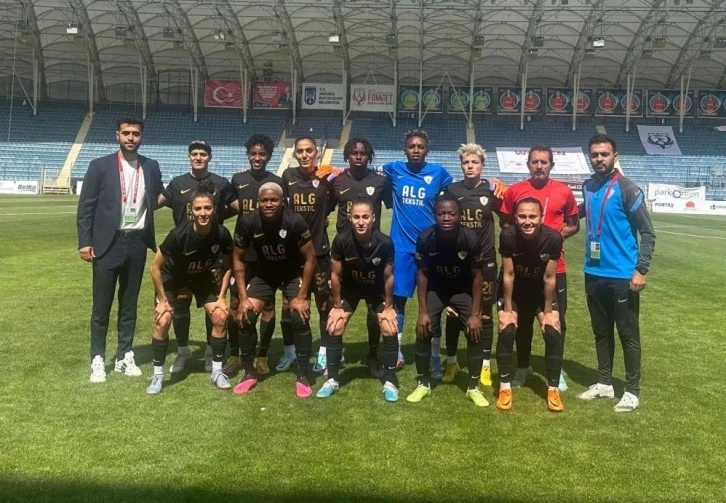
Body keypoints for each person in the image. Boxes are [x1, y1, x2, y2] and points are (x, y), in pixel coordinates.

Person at [77, 117, 164, 383]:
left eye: (135, 133)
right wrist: (84, 241)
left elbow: (159, 196)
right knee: (101, 307)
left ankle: (124, 355)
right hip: (107, 244)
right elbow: (86, 206)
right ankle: (97, 358)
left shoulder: (151, 166)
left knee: (129, 305)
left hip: (136, 243)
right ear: (117, 135)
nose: (131, 137)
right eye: (126, 133)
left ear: (141, 137)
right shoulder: (99, 166)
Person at [577, 134, 655, 413]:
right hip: (593, 271)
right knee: (601, 331)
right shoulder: (587, 186)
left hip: (622, 275)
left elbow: (648, 232)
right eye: (595, 154)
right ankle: (604, 383)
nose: (599, 159)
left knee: (628, 334)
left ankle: (632, 391)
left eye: (604, 154)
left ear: (614, 156)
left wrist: (640, 269)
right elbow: (577, 214)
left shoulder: (627, 188)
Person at [499, 145, 579, 391]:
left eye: (544, 162)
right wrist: (527, 244)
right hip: (523, 268)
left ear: (551, 165)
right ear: (528, 165)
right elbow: (505, 224)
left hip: (554, 267)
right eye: (535, 161)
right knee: (523, 322)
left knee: (555, 321)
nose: (539, 166)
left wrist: (551, 241)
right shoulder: (515, 191)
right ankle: (523, 367)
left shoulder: (564, 191)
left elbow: (574, 224)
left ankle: (556, 369)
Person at [146, 181, 234, 395]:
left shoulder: (222, 233)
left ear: (214, 209)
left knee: (220, 316)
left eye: (207, 208)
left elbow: (229, 265)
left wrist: (222, 296)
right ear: (191, 210)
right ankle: (158, 376)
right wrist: (163, 301)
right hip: (174, 278)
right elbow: (155, 267)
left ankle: (217, 372)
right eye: (198, 208)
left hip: (201, 277)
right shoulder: (178, 235)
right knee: (164, 320)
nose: (203, 213)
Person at [157, 140, 236, 374]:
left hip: (211, 254)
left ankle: (211, 352)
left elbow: (238, 206)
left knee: (212, 305)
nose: (198, 157)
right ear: (189, 157)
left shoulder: (221, 183)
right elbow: (156, 203)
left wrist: (219, 218)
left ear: (209, 157)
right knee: (181, 305)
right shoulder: (177, 183)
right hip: (181, 255)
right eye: (194, 154)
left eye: (203, 154)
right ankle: (183, 351)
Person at [232, 182, 317, 398]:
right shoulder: (248, 221)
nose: (269, 204)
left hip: (292, 272)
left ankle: (303, 375)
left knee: (299, 316)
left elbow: (310, 258)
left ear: (282, 201)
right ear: (258, 202)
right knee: (246, 316)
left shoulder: (294, 221)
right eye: (264, 200)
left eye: (274, 200)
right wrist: (243, 296)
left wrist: (302, 296)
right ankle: (249, 373)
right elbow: (237, 258)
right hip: (264, 273)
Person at [381, 129, 453, 374]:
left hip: (430, 249)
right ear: (405, 149)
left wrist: (490, 183)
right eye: (411, 146)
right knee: (397, 302)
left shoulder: (439, 173)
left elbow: (457, 193)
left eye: (420, 146)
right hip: (400, 248)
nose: (416, 150)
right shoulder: (394, 169)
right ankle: (396, 350)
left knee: (434, 304)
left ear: (427, 150)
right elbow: (371, 172)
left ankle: (434, 355)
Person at [316, 197, 400, 401]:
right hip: (351, 289)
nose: (361, 222)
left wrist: (389, 307)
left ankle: (390, 381)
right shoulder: (341, 241)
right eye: (356, 217)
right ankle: (332, 380)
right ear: (349, 218)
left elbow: (389, 277)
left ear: (373, 218)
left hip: (375, 290)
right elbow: (335, 275)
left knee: (389, 326)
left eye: (365, 217)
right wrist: (337, 306)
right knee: (334, 325)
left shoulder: (385, 243)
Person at [408, 194, 488, 406]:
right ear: (434, 215)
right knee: (423, 329)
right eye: (441, 213)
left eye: (451, 213)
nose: (446, 218)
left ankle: (473, 387)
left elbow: (477, 277)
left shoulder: (470, 239)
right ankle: (423, 384)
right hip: (437, 289)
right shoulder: (426, 238)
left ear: (459, 215)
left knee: (475, 331)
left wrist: (475, 314)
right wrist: (422, 311)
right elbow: (422, 274)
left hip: (462, 290)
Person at [226, 134, 289, 377]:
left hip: (267, 253)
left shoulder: (277, 181)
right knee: (235, 302)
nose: (257, 158)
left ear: (269, 156)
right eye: (253, 153)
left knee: (268, 304)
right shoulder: (238, 179)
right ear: (248, 155)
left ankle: (262, 355)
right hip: (242, 251)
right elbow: (229, 202)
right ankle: (235, 354)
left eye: (262, 154)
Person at [441, 143, 502, 388]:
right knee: (453, 311)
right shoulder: (452, 190)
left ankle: (485, 364)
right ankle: (452, 361)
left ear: (482, 165)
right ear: (461, 165)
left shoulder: (492, 191)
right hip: (459, 261)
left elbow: (507, 220)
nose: (470, 166)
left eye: (474, 162)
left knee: (485, 313)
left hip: (485, 261)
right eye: (466, 162)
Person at [495, 197, 565, 412]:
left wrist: (548, 311)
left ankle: (553, 389)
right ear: (515, 217)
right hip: (514, 292)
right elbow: (508, 274)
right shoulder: (508, 236)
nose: (528, 221)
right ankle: (505, 387)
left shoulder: (553, 238)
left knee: (553, 332)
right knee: (508, 330)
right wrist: (507, 310)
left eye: (532, 216)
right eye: (522, 216)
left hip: (539, 292)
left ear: (541, 217)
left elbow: (549, 277)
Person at [332, 137, 392, 377]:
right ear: (347, 155)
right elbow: (324, 207)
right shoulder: (336, 181)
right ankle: (333, 352)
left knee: (373, 309)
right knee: (335, 304)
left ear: (369, 156)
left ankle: (373, 355)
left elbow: (393, 204)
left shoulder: (379, 181)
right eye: (354, 152)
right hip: (345, 252)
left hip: (373, 252)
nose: (358, 156)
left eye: (363, 153)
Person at [281, 137, 336, 374]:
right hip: (293, 253)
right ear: (295, 154)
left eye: (309, 151)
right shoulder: (287, 177)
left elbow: (335, 200)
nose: (304, 155)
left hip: (319, 251)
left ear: (317, 153)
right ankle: (290, 351)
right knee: (288, 303)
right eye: (300, 151)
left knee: (324, 303)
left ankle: (323, 351)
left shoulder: (326, 177)